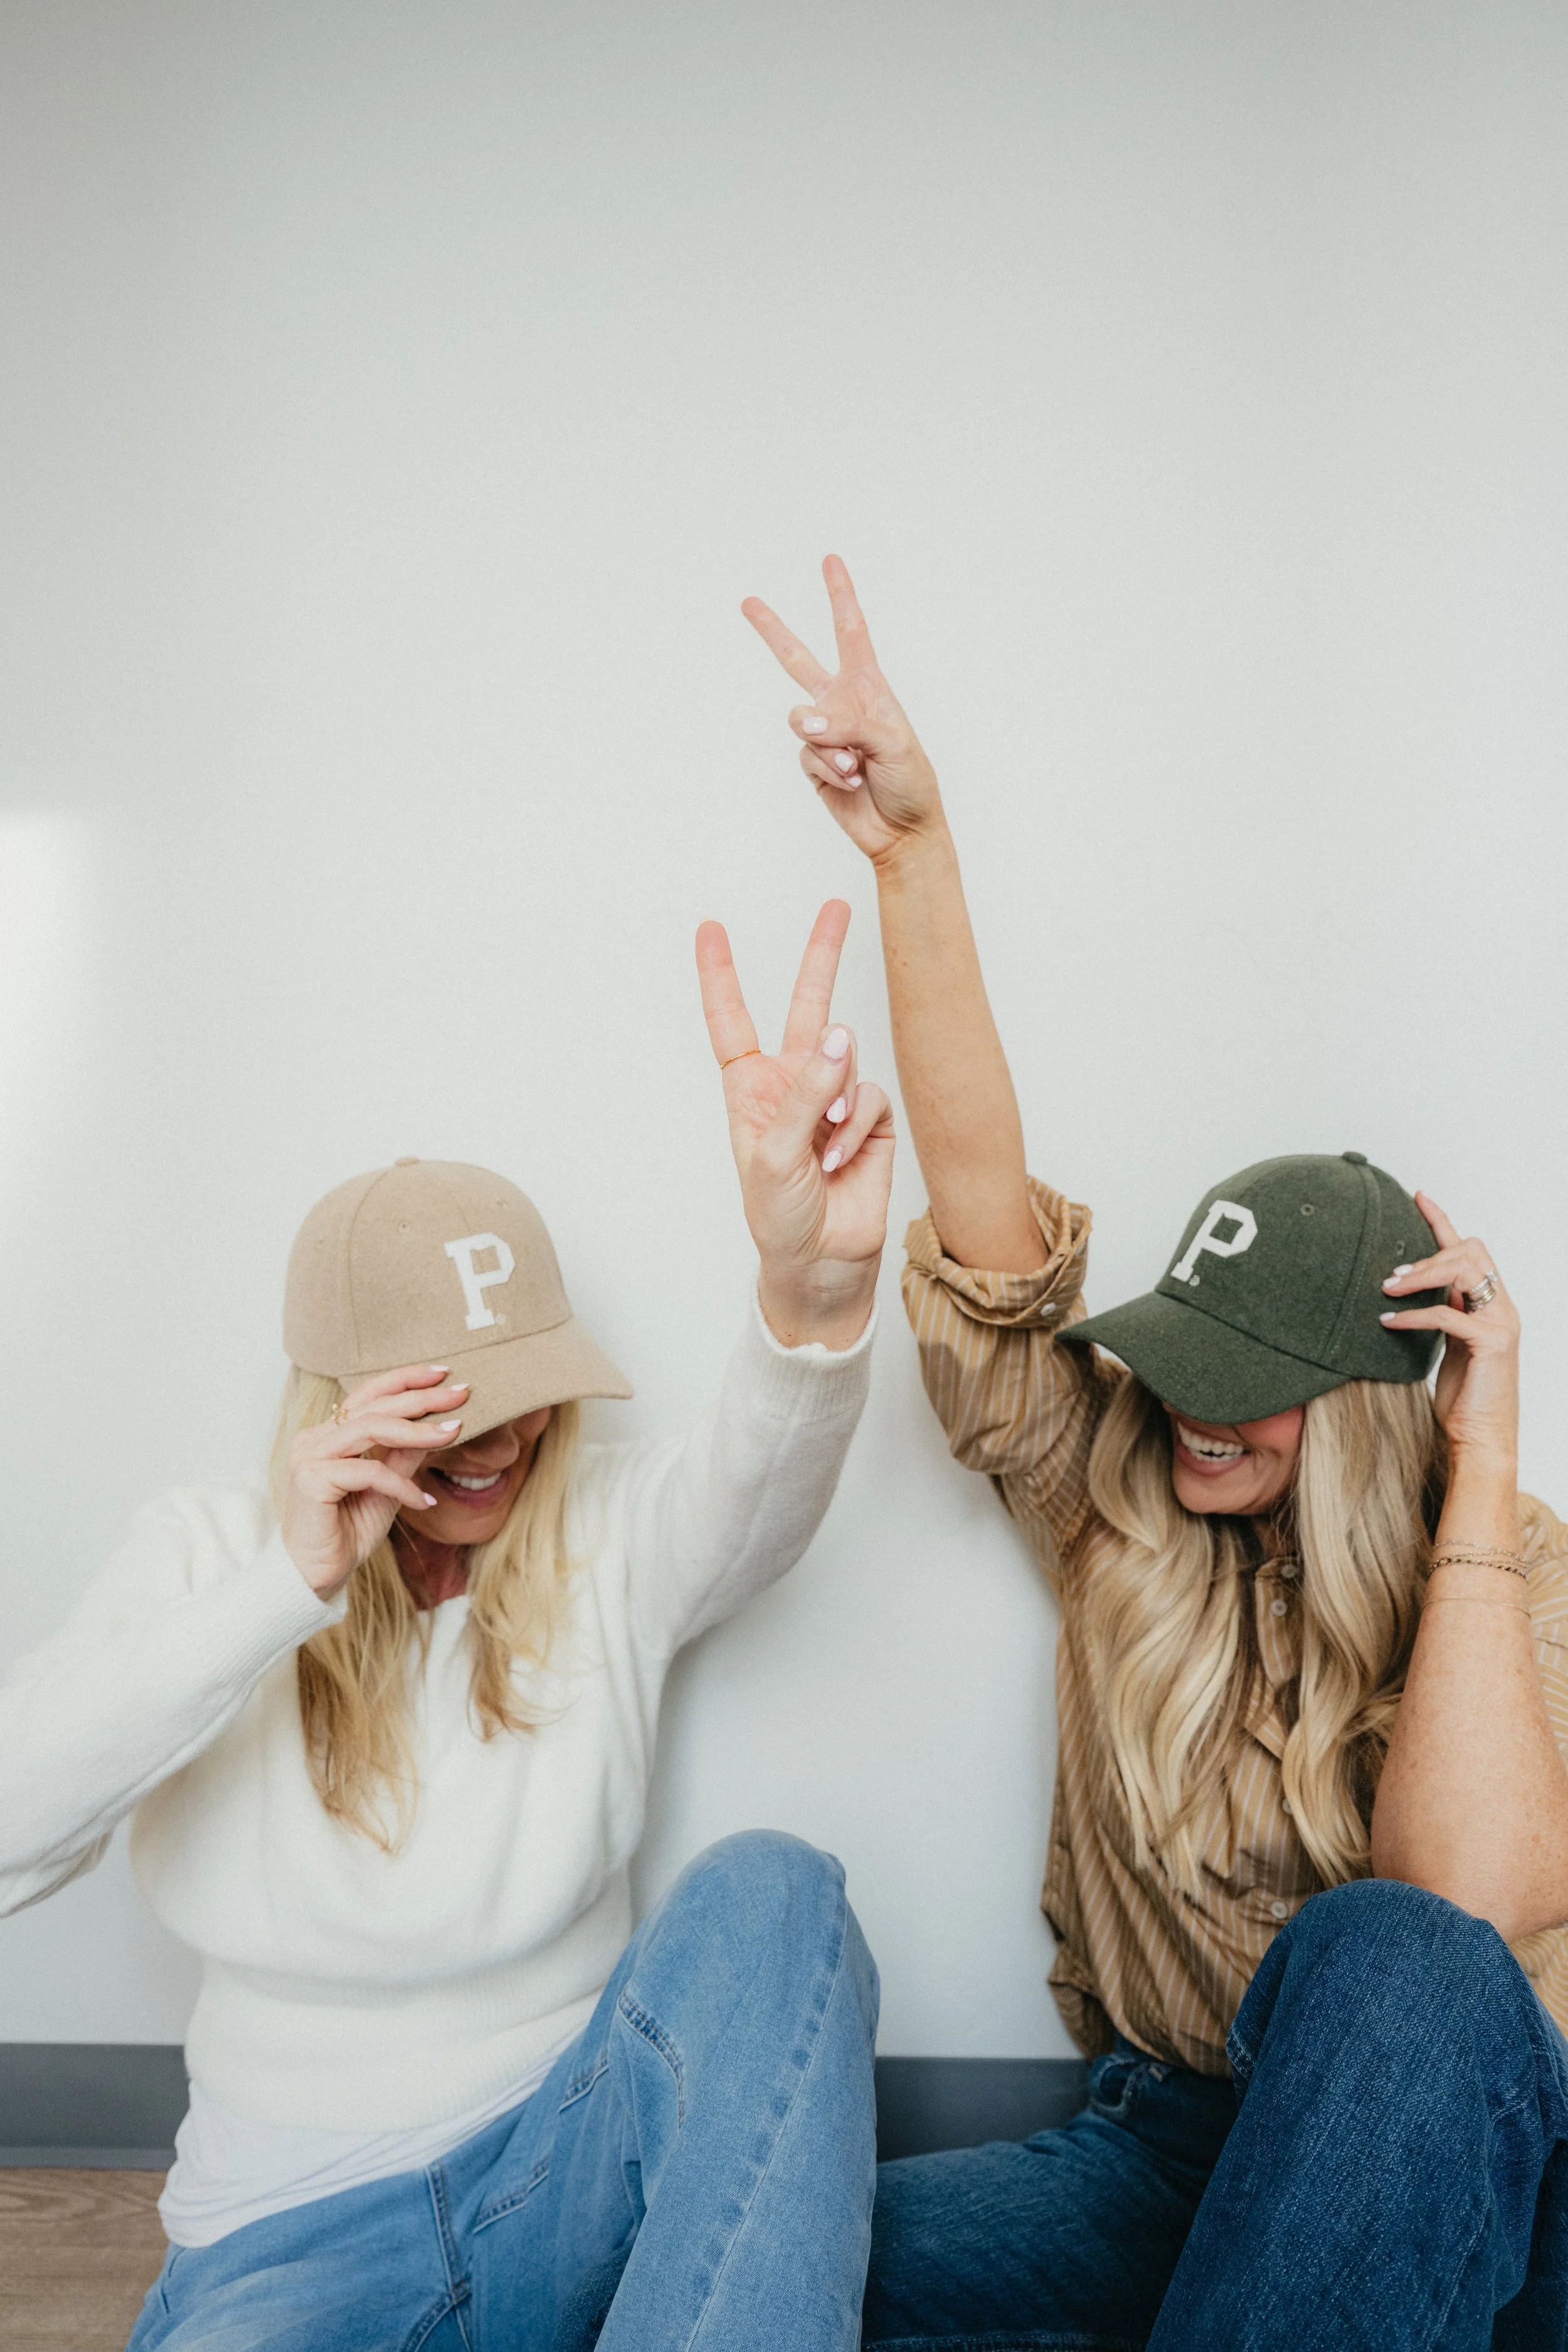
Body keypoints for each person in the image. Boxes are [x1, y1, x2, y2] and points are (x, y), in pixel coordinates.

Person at [744, 558, 1568, 2349]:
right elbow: (985, 1225)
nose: (1189, 1403)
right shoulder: (1117, 1495)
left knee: (1394, 1954)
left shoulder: (1512, 1569)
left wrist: (1482, 1448)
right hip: (1170, 2146)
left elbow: (1470, 1905)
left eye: (1247, 1381)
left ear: (1366, 1407)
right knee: (778, 2268)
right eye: (1181, 1351)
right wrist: (912, 854)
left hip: (1454, 2154)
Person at [0, 904, 893, 2352]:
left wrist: (816, 1283)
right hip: (292, 2240)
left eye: (521, 1388)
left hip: (573, 2170)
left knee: (775, 1895)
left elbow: (763, 1479)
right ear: (334, 1401)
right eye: (443, 1405)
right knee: (911, 2262)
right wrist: (288, 1586)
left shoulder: (601, 1528)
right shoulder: (207, 1556)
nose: (497, 1440)